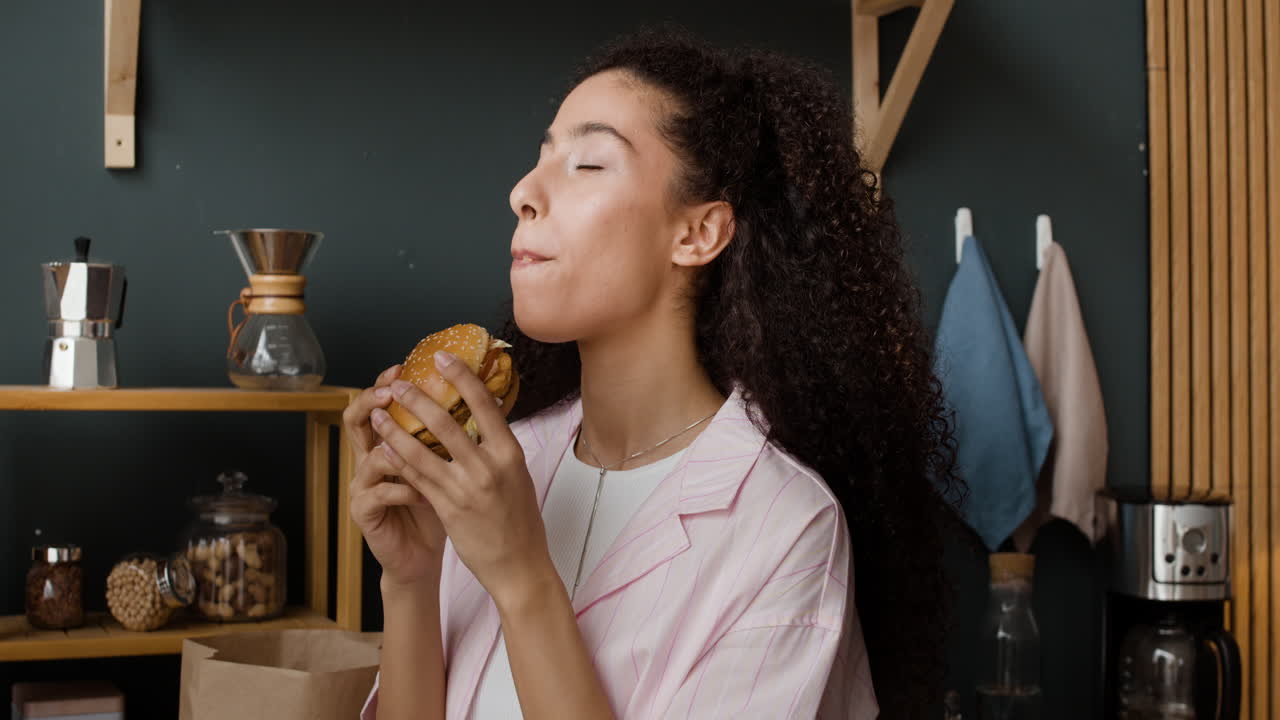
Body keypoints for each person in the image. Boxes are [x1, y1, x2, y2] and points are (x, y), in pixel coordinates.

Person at [345, 26, 960, 720]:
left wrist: (522, 578)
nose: (523, 191)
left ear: (697, 234)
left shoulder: (785, 529)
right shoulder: (499, 465)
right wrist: (412, 580)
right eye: (540, 158)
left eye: (588, 164)